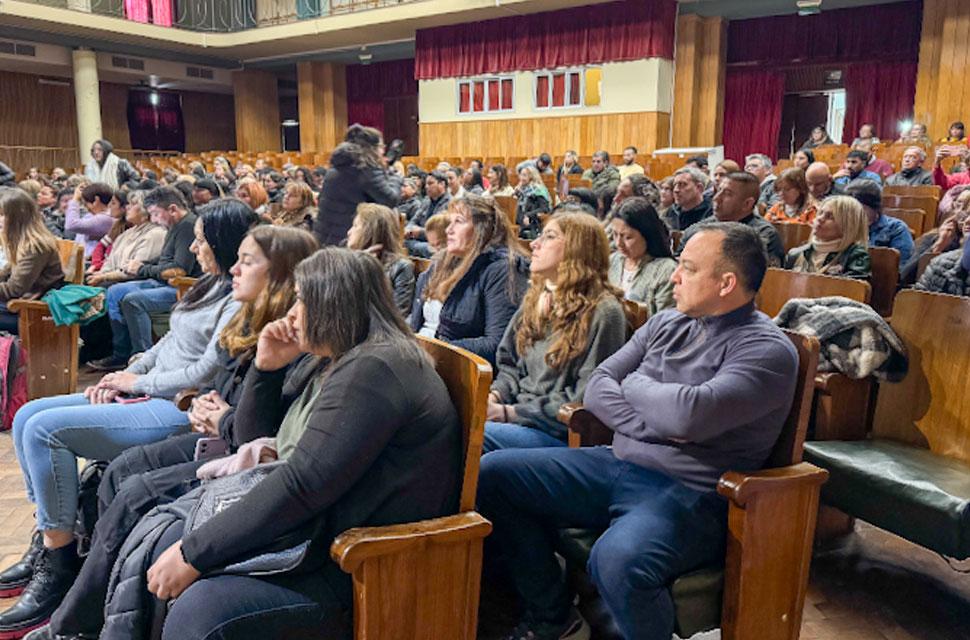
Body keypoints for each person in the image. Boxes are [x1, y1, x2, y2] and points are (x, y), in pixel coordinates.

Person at [106, 248, 461, 640]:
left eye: (301, 300)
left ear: (330, 304)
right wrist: (267, 368)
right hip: (321, 535)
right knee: (163, 534)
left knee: (199, 605)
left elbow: (303, 483)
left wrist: (195, 553)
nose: (291, 313)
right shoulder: (342, 357)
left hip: (361, 563)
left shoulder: (375, 368)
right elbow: (254, 439)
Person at [478, 222, 799, 640]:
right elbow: (599, 386)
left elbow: (687, 415)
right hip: (616, 461)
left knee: (617, 559)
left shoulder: (766, 349)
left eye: (688, 268)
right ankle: (553, 615)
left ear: (726, 283)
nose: (674, 276)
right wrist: (657, 421)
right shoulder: (667, 322)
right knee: (493, 476)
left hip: (690, 489)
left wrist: (634, 388)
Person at [24, 226, 320, 640]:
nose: (234, 268)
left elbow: (258, 430)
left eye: (247, 261)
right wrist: (170, 391)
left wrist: (212, 411)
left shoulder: (287, 332)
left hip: (235, 450)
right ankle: (75, 572)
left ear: (280, 274)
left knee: (123, 484)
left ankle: (76, 616)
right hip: (211, 426)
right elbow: (198, 369)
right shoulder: (237, 305)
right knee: (104, 463)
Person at [0, 200, 256, 638]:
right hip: (150, 387)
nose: (193, 248)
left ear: (222, 242)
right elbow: (168, 343)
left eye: (201, 240)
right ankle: (48, 537)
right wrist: (127, 372)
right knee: (26, 416)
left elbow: (203, 372)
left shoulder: (236, 300)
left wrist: (137, 383)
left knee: (45, 431)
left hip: (177, 404)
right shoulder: (208, 285)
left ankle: (59, 561)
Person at [482, 213, 626, 453]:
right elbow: (510, 365)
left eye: (549, 237)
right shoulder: (537, 297)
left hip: (554, 430)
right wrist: (495, 396)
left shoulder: (604, 312)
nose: (534, 244)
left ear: (577, 249)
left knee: (474, 435)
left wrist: (510, 413)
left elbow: (585, 396)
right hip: (516, 416)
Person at [88, 187, 202, 371]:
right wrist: (141, 264)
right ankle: (121, 353)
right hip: (164, 282)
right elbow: (165, 260)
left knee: (133, 301)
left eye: (156, 214)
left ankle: (143, 358)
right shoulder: (174, 225)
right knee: (114, 291)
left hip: (184, 288)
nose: (154, 219)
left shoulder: (187, 226)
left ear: (173, 209)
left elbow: (178, 270)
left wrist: (142, 268)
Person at [410, 195, 529, 366]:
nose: (449, 230)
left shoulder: (501, 269)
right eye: (450, 222)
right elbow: (417, 321)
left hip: (454, 368)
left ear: (482, 229)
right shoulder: (442, 261)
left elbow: (497, 344)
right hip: (421, 355)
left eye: (458, 221)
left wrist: (432, 349)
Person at [315, 124, 402, 246]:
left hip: (325, 237)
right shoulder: (365, 170)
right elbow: (390, 200)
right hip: (349, 239)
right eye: (381, 147)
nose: (383, 151)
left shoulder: (337, 167)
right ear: (372, 148)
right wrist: (395, 177)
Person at [680, 172, 785, 266]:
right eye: (718, 190)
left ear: (747, 204)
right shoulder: (699, 228)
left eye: (727, 194)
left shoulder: (763, 234)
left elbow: (765, 275)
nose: (716, 198)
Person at [0, 188, 65, 333]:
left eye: (2, 215)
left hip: (35, 312)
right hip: (23, 303)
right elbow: (6, 273)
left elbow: (14, 289)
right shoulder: (22, 241)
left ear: (17, 218)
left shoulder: (35, 246)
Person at [608, 197, 676, 312]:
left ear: (647, 235)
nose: (618, 243)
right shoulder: (613, 260)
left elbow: (664, 318)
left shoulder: (666, 270)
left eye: (627, 237)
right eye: (615, 235)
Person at [86, 191, 166, 287]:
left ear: (147, 211)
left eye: (133, 204)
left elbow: (135, 271)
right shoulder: (126, 233)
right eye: (129, 204)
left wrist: (104, 277)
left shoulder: (155, 234)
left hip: (131, 282)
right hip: (111, 278)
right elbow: (109, 262)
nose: (127, 207)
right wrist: (100, 273)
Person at [346, 203, 415, 314]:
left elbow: (398, 314)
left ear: (370, 231)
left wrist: (369, 273)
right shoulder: (348, 262)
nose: (349, 232)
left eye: (355, 226)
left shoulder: (401, 267)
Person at [785, 195, 871, 279]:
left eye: (830, 217)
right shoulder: (795, 254)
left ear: (848, 226)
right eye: (820, 213)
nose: (820, 219)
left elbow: (853, 287)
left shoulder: (856, 256)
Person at [845, 180, 914, 265]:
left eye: (860, 209)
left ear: (875, 207)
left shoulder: (896, 228)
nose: (853, 214)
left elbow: (902, 266)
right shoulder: (843, 226)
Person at [404, 170, 450, 258]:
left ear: (442, 184)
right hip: (420, 241)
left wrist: (419, 232)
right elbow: (414, 220)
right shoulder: (426, 201)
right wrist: (408, 230)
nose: (426, 187)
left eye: (430, 183)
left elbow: (438, 232)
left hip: (437, 244)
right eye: (426, 184)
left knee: (429, 249)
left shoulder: (450, 203)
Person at [66, 183, 115, 258]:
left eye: (86, 204)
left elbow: (71, 225)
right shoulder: (92, 215)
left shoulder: (106, 218)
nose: (86, 208)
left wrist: (75, 199)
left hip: (94, 261)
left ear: (96, 200)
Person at [665, 167, 712, 231]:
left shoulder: (711, 212)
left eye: (682, 185)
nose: (676, 190)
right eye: (675, 185)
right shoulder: (672, 212)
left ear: (699, 188)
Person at [515, 165, 552, 239]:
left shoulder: (538, 190)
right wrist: (516, 194)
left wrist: (528, 215)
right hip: (520, 222)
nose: (521, 178)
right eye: (521, 175)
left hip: (534, 222)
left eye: (524, 175)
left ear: (531, 177)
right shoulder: (521, 190)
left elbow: (545, 208)